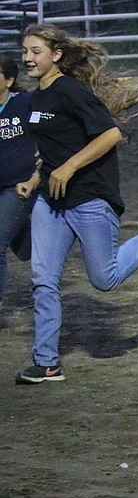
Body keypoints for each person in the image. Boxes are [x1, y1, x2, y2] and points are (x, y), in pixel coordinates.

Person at [17, 24, 138, 385]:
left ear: (56, 56)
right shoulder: (36, 99)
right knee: (43, 279)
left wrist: (70, 167)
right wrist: (37, 177)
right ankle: (46, 362)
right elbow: (50, 147)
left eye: (35, 51)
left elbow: (111, 134)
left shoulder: (70, 91)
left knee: (104, 279)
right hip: (51, 201)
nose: (28, 58)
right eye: (25, 51)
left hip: (90, 197)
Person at [0, 55, 38, 309]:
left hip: (19, 185)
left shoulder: (25, 103)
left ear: (9, 80)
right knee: (25, 250)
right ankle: (55, 236)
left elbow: (53, 125)